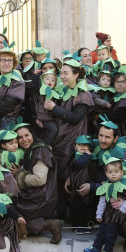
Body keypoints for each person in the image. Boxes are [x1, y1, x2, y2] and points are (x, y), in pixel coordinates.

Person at [47, 59, 94, 216]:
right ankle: (60, 211)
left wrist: (54, 108)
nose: (62, 76)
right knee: (59, 174)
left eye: (66, 73)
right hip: (60, 138)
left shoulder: (83, 94)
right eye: (61, 73)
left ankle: (76, 215)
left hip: (74, 139)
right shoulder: (63, 90)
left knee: (72, 173)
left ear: (76, 74)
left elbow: (75, 117)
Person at [12, 124, 60, 243]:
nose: (24, 139)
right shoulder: (31, 150)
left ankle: (50, 224)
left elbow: (39, 179)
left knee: (16, 207)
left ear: (32, 134)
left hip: (43, 195)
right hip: (38, 192)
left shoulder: (40, 150)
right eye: (20, 137)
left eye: (27, 135)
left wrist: (19, 176)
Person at [83, 157, 126, 252]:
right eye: (110, 172)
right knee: (102, 230)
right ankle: (96, 247)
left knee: (110, 231)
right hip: (108, 213)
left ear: (122, 172)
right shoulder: (107, 185)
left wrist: (125, 207)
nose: (113, 174)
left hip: (119, 213)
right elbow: (102, 200)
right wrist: (99, 214)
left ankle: (108, 251)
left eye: (116, 171)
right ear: (106, 174)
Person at [67, 135, 96, 233]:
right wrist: (87, 155)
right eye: (80, 145)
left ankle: (87, 225)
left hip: (87, 186)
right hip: (76, 187)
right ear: (75, 147)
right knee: (76, 207)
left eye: (85, 145)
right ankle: (77, 225)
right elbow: (79, 164)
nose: (82, 147)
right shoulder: (74, 157)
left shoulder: (91, 159)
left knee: (87, 207)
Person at [31, 70, 59, 145]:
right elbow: (36, 85)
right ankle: (47, 145)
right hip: (44, 118)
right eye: (47, 79)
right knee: (54, 129)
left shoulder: (55, 93)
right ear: (42, 81)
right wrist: (35, 75)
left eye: (53, 80)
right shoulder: (41, 91)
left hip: (50, 118)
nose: (50, 81)